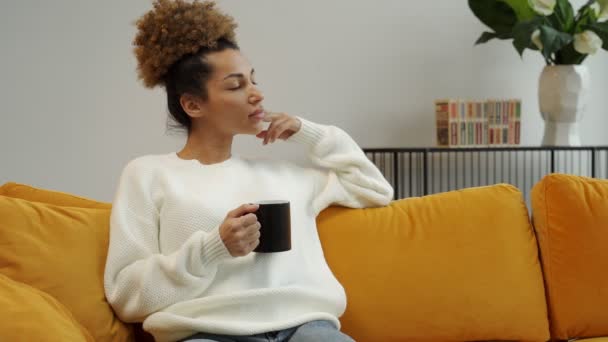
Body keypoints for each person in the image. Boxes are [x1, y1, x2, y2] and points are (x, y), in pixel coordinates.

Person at [103, 1, 394, 341]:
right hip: (207, 333)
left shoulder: (286, 178)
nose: (257, 94)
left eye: (253, 80)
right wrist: (213, 248)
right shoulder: (149, 174)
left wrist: (307, 132)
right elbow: (125, 294)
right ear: (193, 104)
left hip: (305, 328)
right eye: (235, 85)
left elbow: (375, 189)